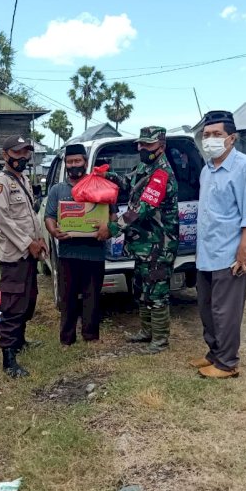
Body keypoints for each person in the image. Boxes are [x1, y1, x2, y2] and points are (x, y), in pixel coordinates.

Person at [190, 110, 246, 379]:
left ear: (231, 138)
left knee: (226, 312)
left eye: (217, 134)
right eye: (206, 135)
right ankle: (214, 353)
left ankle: (227, 362)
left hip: (231, 253)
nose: (210, 139)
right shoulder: (207, 169)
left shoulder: (244, 167)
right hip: (207, 252)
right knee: (207, 308)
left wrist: (244, 247)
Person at [108, 126, 179, 354]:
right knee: (142, 288)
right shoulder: (145, 166)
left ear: (161, 147)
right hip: (143, 245)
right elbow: (128, 184)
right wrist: (108, 176)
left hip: (159, 246)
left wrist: (114, 227)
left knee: (157, 292)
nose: (142, 148)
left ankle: (159, 340)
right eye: (140, 144)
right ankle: (146, 331)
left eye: (148, 145)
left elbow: (143, 209)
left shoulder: (161, 174)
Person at [0, 135, 47, 378]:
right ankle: (8, 358)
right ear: (5, 155)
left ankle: (20, 341)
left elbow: (30, 217)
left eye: (26, 153)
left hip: (30, 252)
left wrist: (39, 238)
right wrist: (28, 244)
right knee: (12, 305)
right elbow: (4, 221)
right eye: (18, 153)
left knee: (27, 300)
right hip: (15, 256)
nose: (23, 158)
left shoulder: (22, 179)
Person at [44, 143, 114, 345]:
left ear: (85, 162)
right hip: (67, 253)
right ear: (65, 164)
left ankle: (90, 336)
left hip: (94, 253)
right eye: (70, 161)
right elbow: (49, 216)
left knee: (92, 296)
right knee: (68, 298)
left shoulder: (100, 186)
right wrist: (53, 230)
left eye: (78, 161)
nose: (74, 165)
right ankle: (67, 338)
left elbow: (113, 215)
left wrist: (107, 229)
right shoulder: (58, 190)